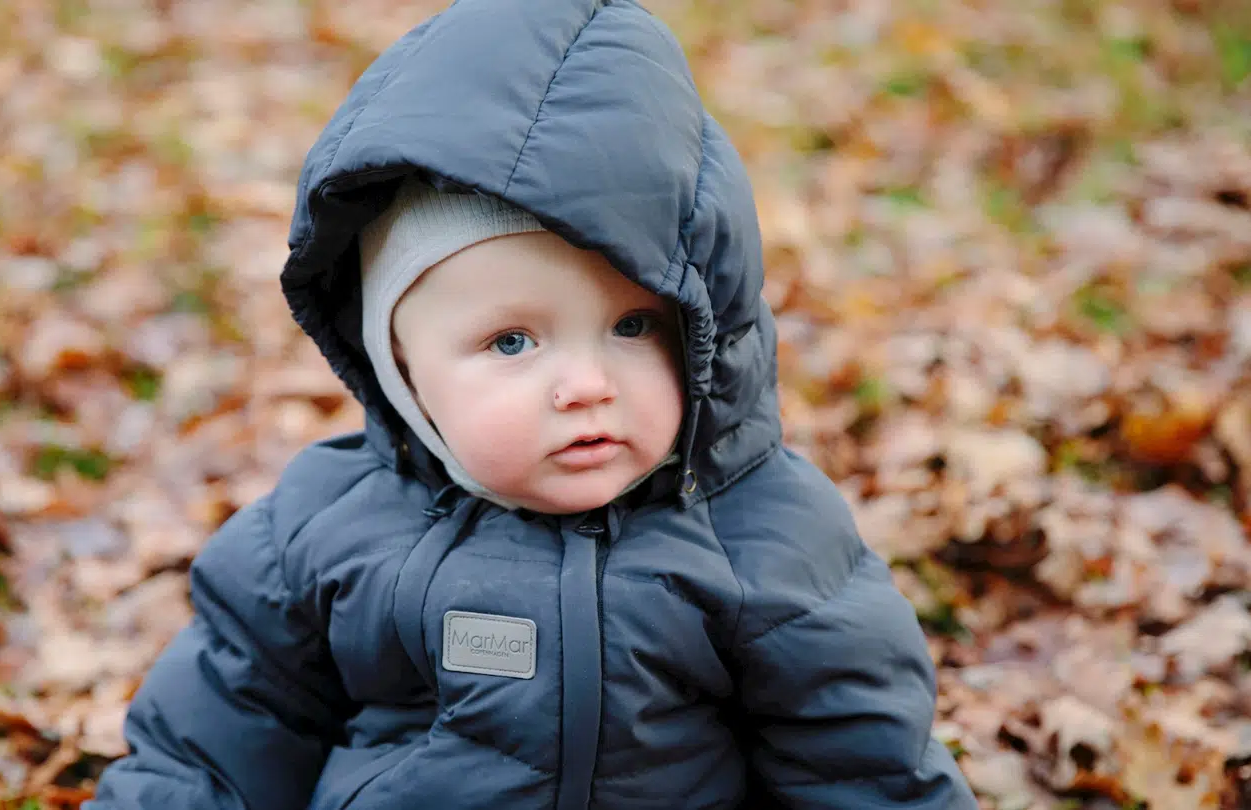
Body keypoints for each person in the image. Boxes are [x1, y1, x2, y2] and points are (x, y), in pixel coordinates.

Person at [85, 0, 977, 807]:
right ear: (402, 367)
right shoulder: (323, 532)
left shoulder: (766, 538)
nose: (586, 383)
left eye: (633, 326)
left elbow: (862, 768)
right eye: (512, 342)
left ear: (703, 332)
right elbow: (214, 744)